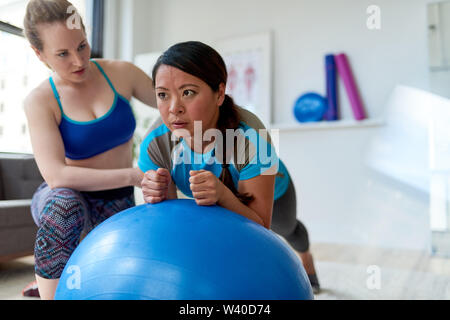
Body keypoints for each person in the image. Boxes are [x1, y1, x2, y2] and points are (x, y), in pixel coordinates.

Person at [138, 41, 321, 294]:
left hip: (273, 193)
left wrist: (223, 194)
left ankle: (307, 258)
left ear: (220, 93)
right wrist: (154, 193)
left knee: (288, 231)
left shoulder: (252, 140)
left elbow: (259, 230)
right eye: (162, 94)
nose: (173, 108)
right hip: (214, 193)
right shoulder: (155, 146)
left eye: (188, 92)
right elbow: (172, 225)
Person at [22, 0, 156, 300]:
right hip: (67, 198)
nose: (79, 61)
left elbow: (174, 107)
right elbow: (57, 176)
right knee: (64, 206)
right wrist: (134, 175)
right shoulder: (40, 100)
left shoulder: (123, 73)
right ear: (39, 54)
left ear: (85, 32)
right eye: (62, 54)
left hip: (117, 201)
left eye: (82, 46)